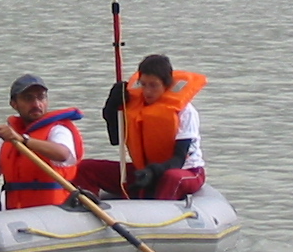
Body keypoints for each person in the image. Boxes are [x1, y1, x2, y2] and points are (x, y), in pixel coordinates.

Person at [73, 54, 206, 201]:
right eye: (143, 84)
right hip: (144, 172)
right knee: (86, 168)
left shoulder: (186, 112)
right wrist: (111, 109)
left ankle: (156, 216)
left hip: (184, 171)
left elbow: (178, 160)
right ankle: (86, 213)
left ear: (166, 85)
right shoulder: (134, 106)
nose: (147, 91)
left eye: (153, 85)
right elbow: (116, 139)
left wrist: (153, 172)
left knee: (171, 177)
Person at [0, 74, 84, 209]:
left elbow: (62, 154)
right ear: (14, 104)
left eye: (41, 97)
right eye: (28, 98)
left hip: (54, 212)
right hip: (18, 215)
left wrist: (23, 140)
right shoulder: (9, 138)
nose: (36, 104)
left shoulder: (58, 130)